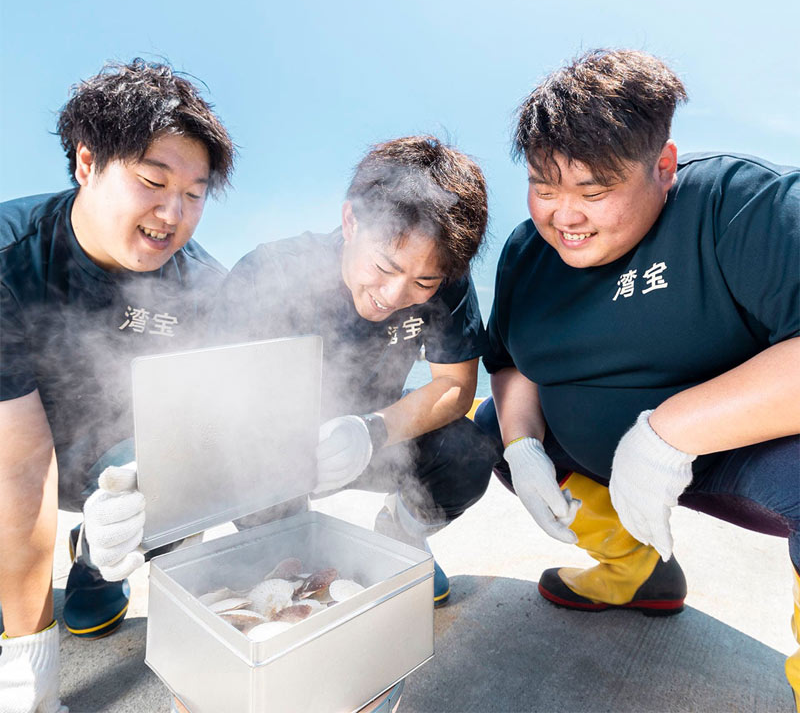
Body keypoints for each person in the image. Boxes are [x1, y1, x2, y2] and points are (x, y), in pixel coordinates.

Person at [474, 49, 800, 706]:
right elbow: (510, 362)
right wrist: (523, 446)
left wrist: (668, 435)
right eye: (544, 185)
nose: (564, 216)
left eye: (593, 192)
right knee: (489, 428)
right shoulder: (523, 254)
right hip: (602, 466)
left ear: (664, 167)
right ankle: (637, 572)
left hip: (746, 458)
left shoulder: (743, 203)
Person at [85, 135, 499, 608]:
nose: (393, 294)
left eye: (423, 282)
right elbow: (206, 401)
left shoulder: (447, 277)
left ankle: (399, 538)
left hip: (373, 436)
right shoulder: (272, 271)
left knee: (468, 454)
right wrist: (159, 485)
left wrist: (373, 430)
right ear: (351, 221)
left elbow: (455, 386)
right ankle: (90, 557)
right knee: (278, 571)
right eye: (384, 266)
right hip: (268, 451)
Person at [0, 59, 235, 713]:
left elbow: (221, 430)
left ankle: (98, 565)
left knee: (187, 462)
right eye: (153, 181)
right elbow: (19, 464)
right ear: (86, 164)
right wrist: (29, 661)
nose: (172, 213)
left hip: (116, 460)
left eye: (194, 194)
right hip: (13, 442)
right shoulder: (10, 258)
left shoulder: (206, 289)